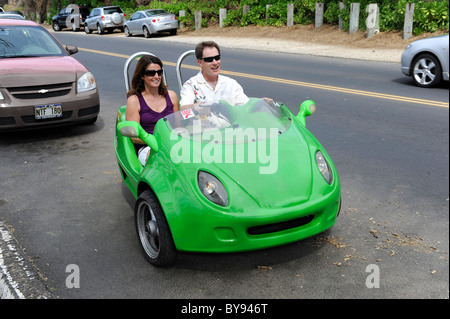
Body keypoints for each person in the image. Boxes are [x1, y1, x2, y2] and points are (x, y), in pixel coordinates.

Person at [126, 55, 179, 165]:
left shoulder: (172, 96)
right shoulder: (134, 101)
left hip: (171, 144)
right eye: (151, 73)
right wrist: (157, 141)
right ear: (142, 76)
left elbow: (178, 127)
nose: (156, 76)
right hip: (147, 147)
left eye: (159, 72)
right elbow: (134, 137)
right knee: (164, 162)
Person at [180, 41, 249, 107]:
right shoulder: (190, 86)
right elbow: (184, 113)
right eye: (209, 60)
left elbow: (247, 107)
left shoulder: (231, 84)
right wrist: (195, 108)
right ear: (200, 62)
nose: (215, 62)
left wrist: (258, 105)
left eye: (217, 58)